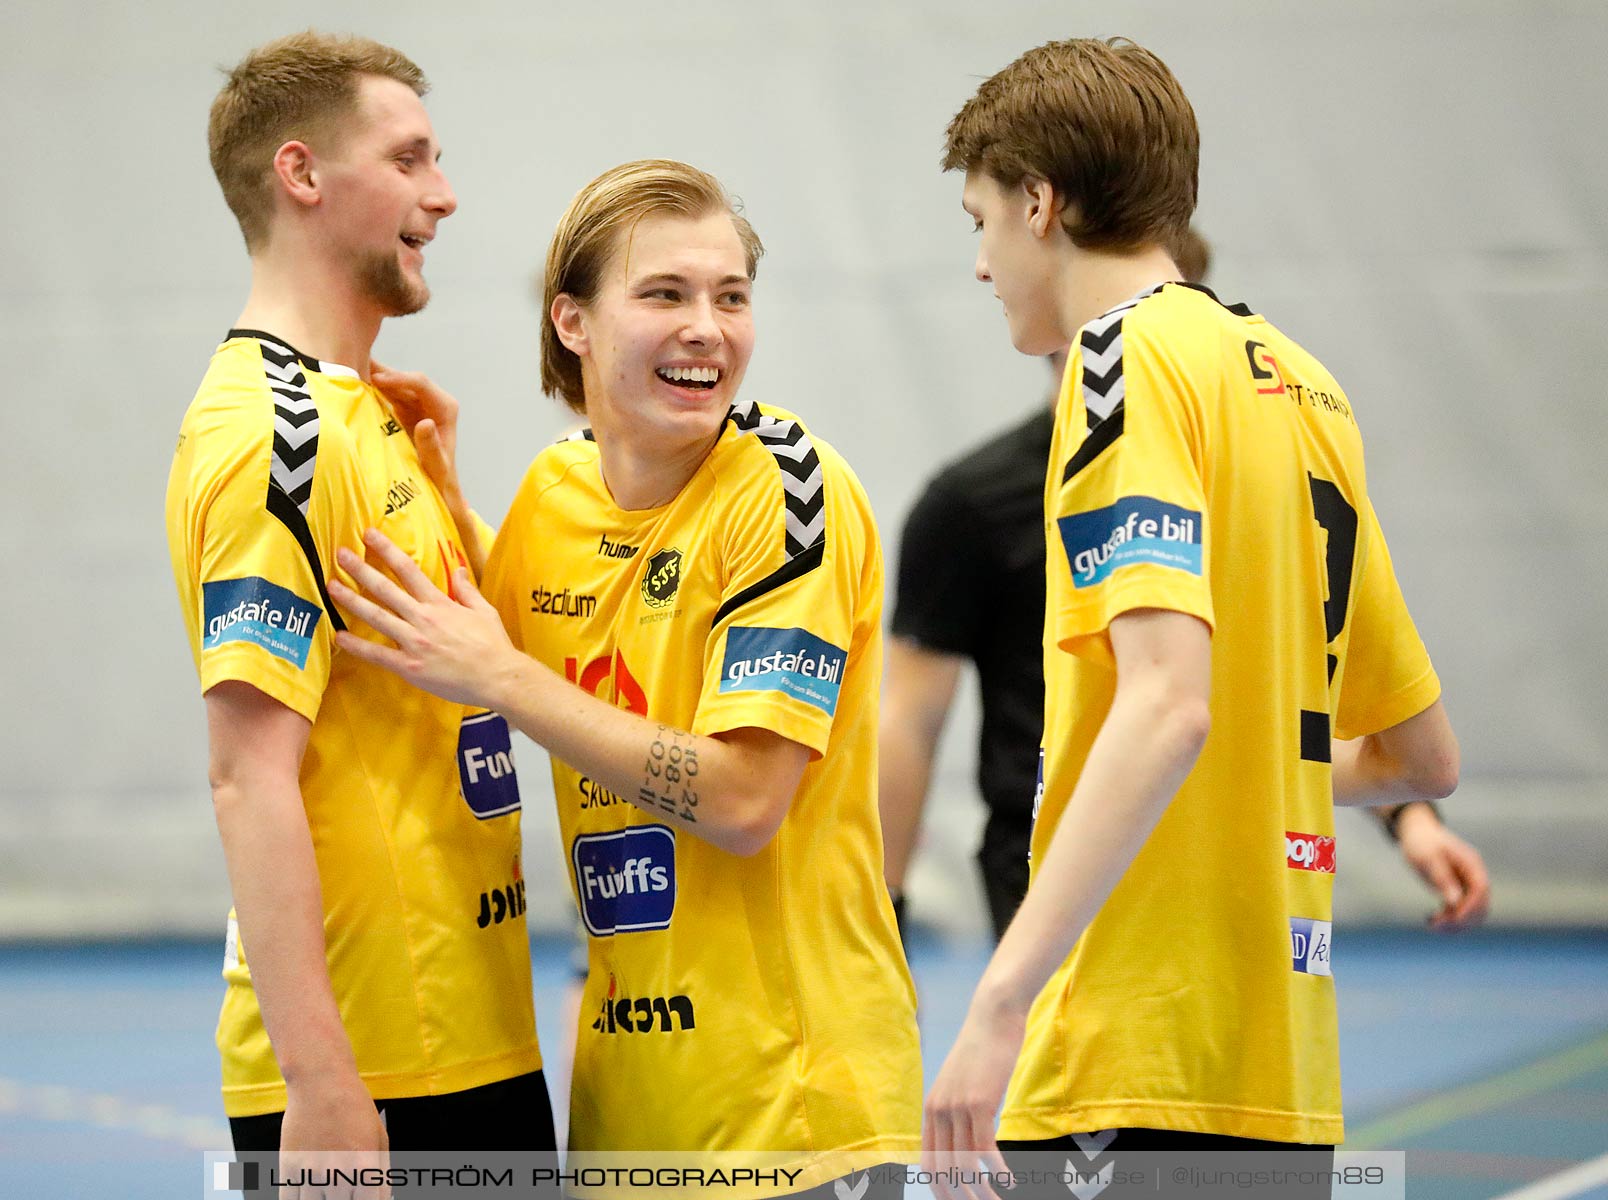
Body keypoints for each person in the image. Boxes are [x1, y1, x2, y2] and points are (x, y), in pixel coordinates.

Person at [920, 36, 1461, 1192]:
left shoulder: (1117, 362)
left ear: (1039, 202)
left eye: (979, 220)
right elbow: (1420, 754)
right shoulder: (1305, 381)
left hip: (1128, 1055)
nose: (979, 263)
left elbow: (1168, 708)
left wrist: (999, 1002)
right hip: (1284, 1075)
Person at [330, 159, 921, 1196]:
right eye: (666, 295)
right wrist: (443, 502)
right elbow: (494, 637)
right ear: (574, 322)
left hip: (799, 1120)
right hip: (626, 1122)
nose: (710, 327)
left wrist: (504, 680)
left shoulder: (787, 494)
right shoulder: (556, 491)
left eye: (732, 296)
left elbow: (742, 799)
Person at [164, 30, 552, 1190]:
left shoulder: (367, 412)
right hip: (383, 1073)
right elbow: (248, 772)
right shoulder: (267, 436)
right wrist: (325, 1087)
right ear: (301, 175)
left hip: (468, 1038)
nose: (445, 193)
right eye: (411, 159)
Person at [880, 228, 1489, 943]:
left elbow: (1296, 682)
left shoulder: (1250, 467)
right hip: (1048, 865)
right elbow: (909, 724)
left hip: (1228, 857)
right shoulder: (971, 504)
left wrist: (1408, 814)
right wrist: (887, 916)